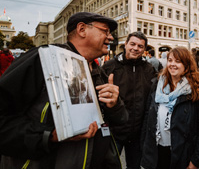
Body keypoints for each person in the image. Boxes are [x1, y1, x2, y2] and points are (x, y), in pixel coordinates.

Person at [0, 12, 128, 169]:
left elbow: (120, 121)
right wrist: (50, 136)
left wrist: (114, 105)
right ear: (82, 29)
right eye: (105, 31)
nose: (110, 38)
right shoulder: (44, 59)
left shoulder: (99, 73)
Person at [141, 47, 199, 169]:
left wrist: (196, 161)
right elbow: (148, 117)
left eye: (178, 61)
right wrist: (144, 148)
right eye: (170, 60)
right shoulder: (157, 85)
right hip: (156, 152)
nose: (172, 64)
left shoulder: (196, 90)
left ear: (186, 65)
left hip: (182, 154)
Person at [102, 31, 156, 169]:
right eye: (132, 44)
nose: (136, 48)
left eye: (140, 46)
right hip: (114, 132)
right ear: (125, 44)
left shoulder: (149, 69)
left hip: (138, 134)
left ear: (144, 49)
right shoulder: (109, 66)